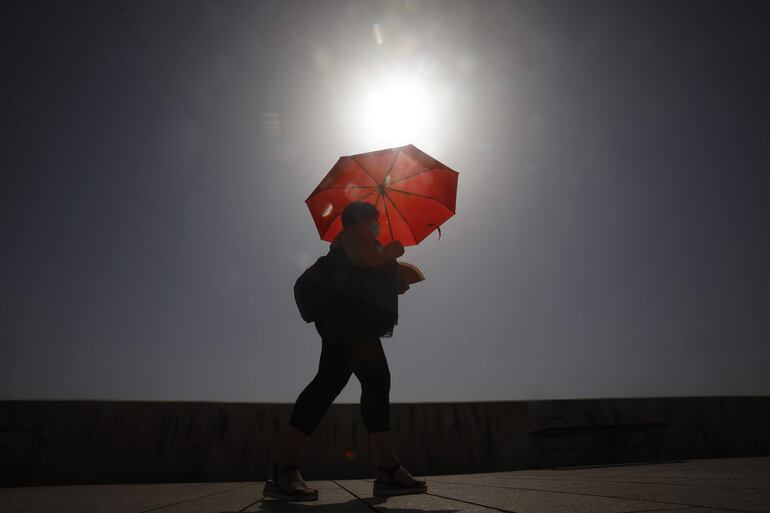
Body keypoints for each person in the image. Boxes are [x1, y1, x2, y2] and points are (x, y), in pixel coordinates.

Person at [262, 201, 427, 501]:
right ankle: (387, 469)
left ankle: (284, 469)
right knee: (375, 379)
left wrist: (395, 281)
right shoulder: (350, 234)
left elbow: (365, 273)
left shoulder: (367, 240)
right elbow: (360, 259)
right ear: (359, 218)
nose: (377, 224)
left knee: (328, 384)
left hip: (346, 316)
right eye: (374, 219)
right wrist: (391, 252)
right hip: (344, 315)